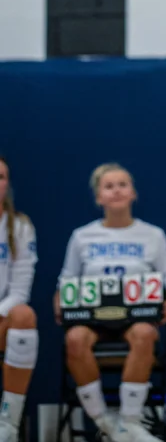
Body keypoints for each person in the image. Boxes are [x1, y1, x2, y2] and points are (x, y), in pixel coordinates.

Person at [55, 164, 166, 442]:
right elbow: (66, 281)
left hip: (135, 317)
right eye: (109, 186)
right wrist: (60, 305)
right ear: (98, 197)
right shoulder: (82, 237)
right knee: (74, 339)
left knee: (145, 333)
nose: (116, 191)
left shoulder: (153, 235)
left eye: (123, 184)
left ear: (133, 193)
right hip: (92, 318)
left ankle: (130, 421)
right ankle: (106, 422)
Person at [0, 158, 38, 442]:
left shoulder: (20, 226)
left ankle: (8, 424)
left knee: (24, 315)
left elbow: (20, 290)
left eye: (1, 177)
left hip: (2, 319)